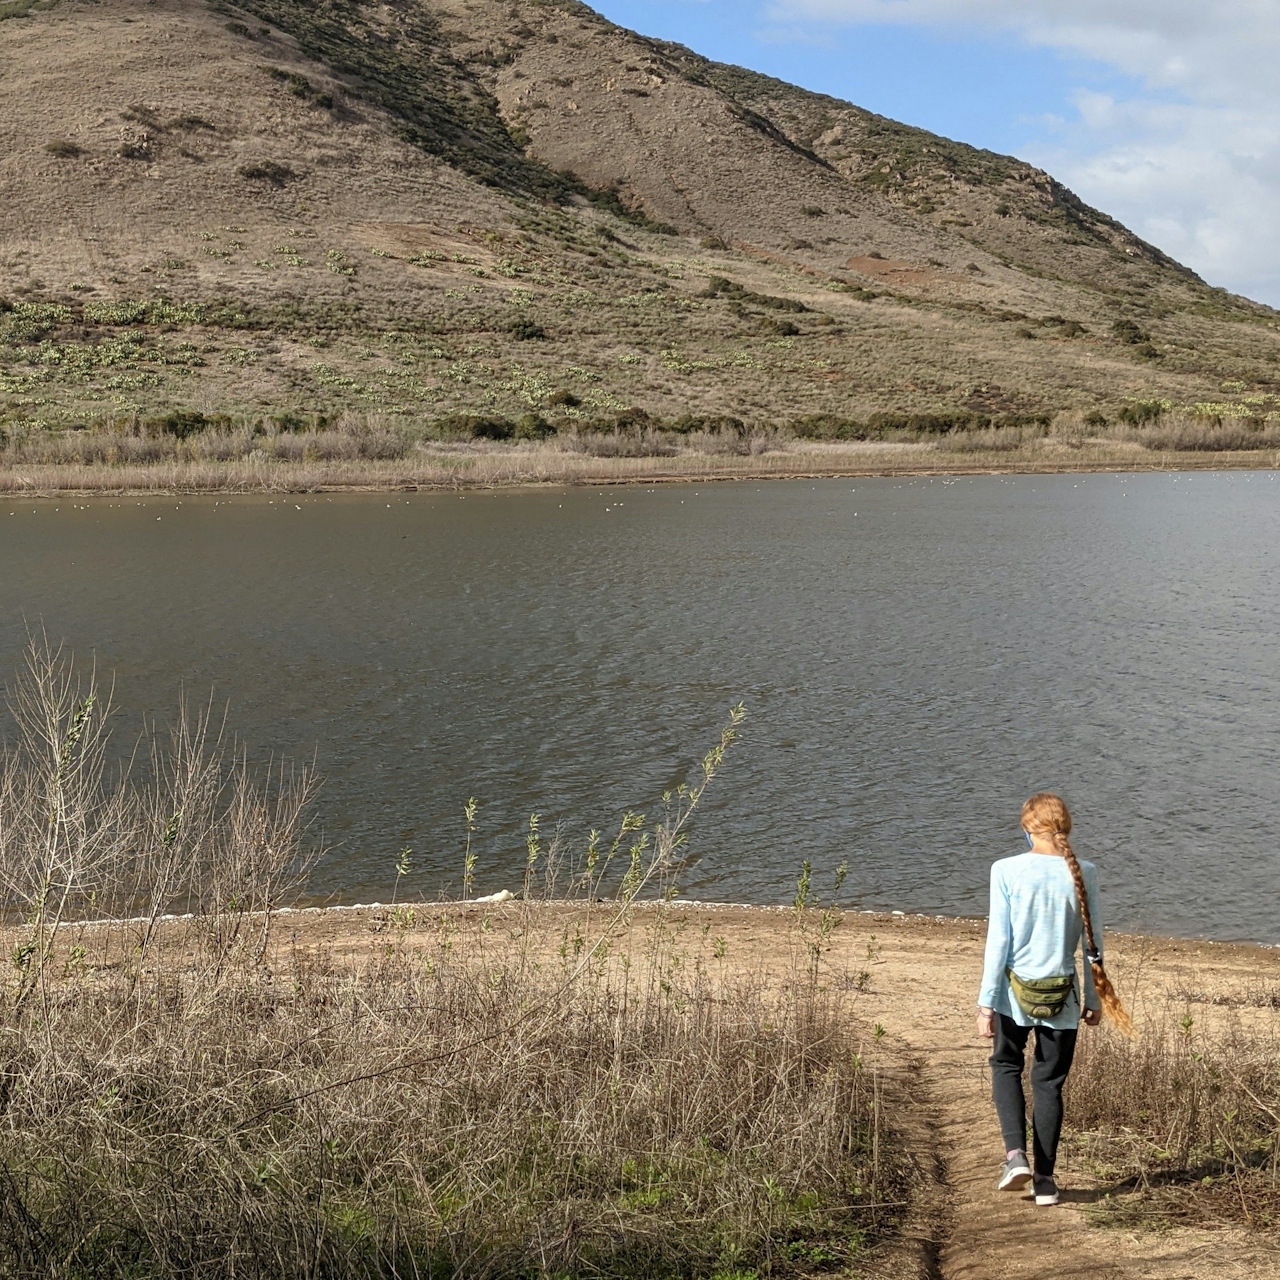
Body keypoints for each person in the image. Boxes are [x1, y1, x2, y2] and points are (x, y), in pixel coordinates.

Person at [976, 792, 1132, 1207]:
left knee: (1006, 1065)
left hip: (1014, 995)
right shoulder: (1084, 871)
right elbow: (1092, 943)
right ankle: (1044, 1181)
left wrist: (986, 1001)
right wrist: (1097, 997)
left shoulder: (1006, 870)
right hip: (1063, 996)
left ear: (1027, 828)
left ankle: (1015, 1157)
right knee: (1049, 1084)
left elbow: (999, 943)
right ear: (1065, 828)